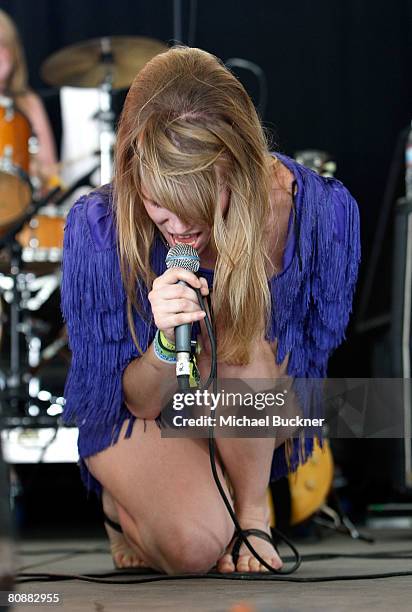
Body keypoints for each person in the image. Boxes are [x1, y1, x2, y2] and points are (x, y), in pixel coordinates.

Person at [61, 46, 360, 574]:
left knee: (241, 337)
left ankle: (251, 518)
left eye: (196, 204)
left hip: (246, 399)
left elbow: (307, 371)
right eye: (160, 205)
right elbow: (133, 400)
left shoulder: (311, 210)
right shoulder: (101, 227)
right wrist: (164, 341)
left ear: (239, 171)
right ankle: (123, 506)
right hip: (142, 412)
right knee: (194, 549)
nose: (175, 228)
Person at [0, 9, 57, 188]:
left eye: (1, 43)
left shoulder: (29, 102)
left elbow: (51, 172)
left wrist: (36, 169)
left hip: (22, 205)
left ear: (13, 51)